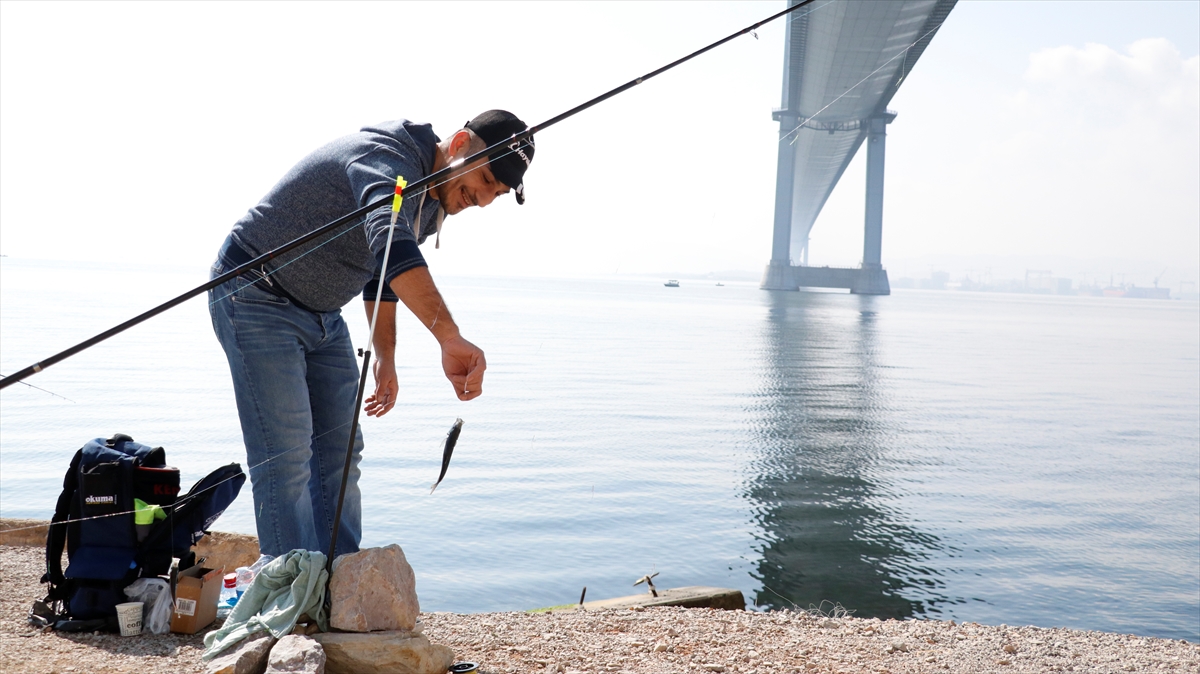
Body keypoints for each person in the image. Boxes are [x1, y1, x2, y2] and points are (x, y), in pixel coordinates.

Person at [208, 111, 534, 558]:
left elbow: (381, 275)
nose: (482, 201)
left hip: (322, 314)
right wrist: (449, 336)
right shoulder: (387, 162)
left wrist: (385, 355)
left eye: (495, 194)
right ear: (458, 145)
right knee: (285, 457)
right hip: (254, 293)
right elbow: (390, 242)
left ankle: (340, 582)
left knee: (340, 455)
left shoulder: (433, 200)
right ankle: (287, 588)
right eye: (485, 180)